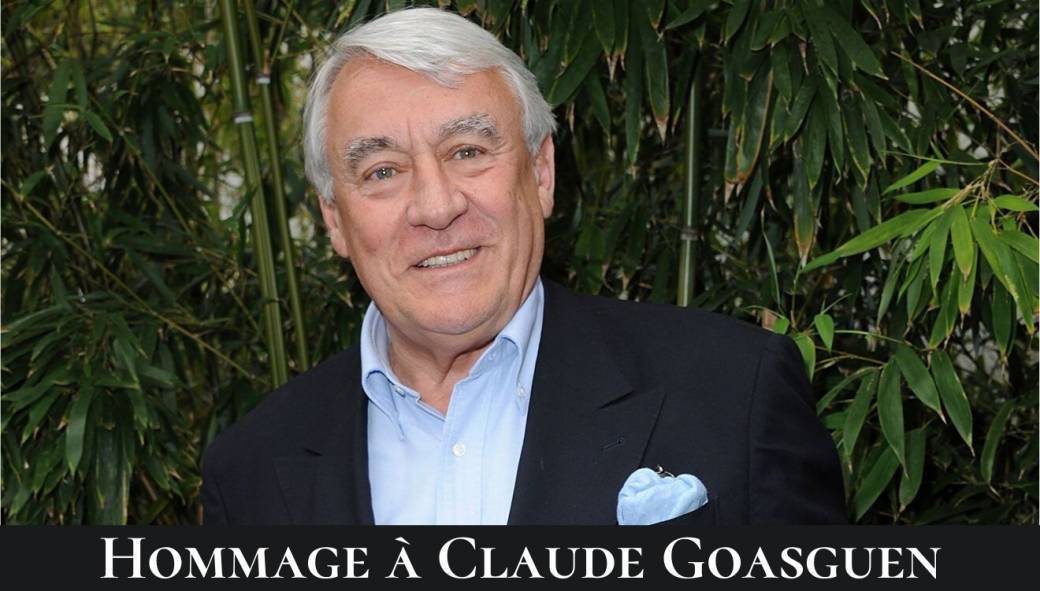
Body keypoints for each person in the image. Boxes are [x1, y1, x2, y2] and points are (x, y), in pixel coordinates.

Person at [201, 7, 845, 525]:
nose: (436, 207)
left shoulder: (733, 391)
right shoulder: (250, 472)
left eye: (467, 151)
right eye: (383, 171)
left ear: (541, 173)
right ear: (335, 220)